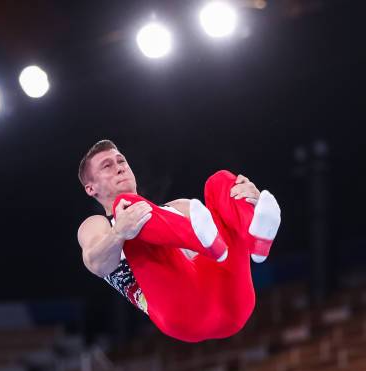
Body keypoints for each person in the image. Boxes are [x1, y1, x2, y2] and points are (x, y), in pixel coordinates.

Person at [77, 140, 281, 342]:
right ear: (91, 188)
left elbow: (228, 232)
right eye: (107, 166)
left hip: (234, 301)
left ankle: (259, 240)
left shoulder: (181, 206)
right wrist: (119, 233)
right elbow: (96, 264)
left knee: (220, 181)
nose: (119, 168)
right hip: (183, 315)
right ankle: (207, 242)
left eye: (121, 161)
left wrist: (247, 201)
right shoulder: (97, 225)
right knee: (128, 208)